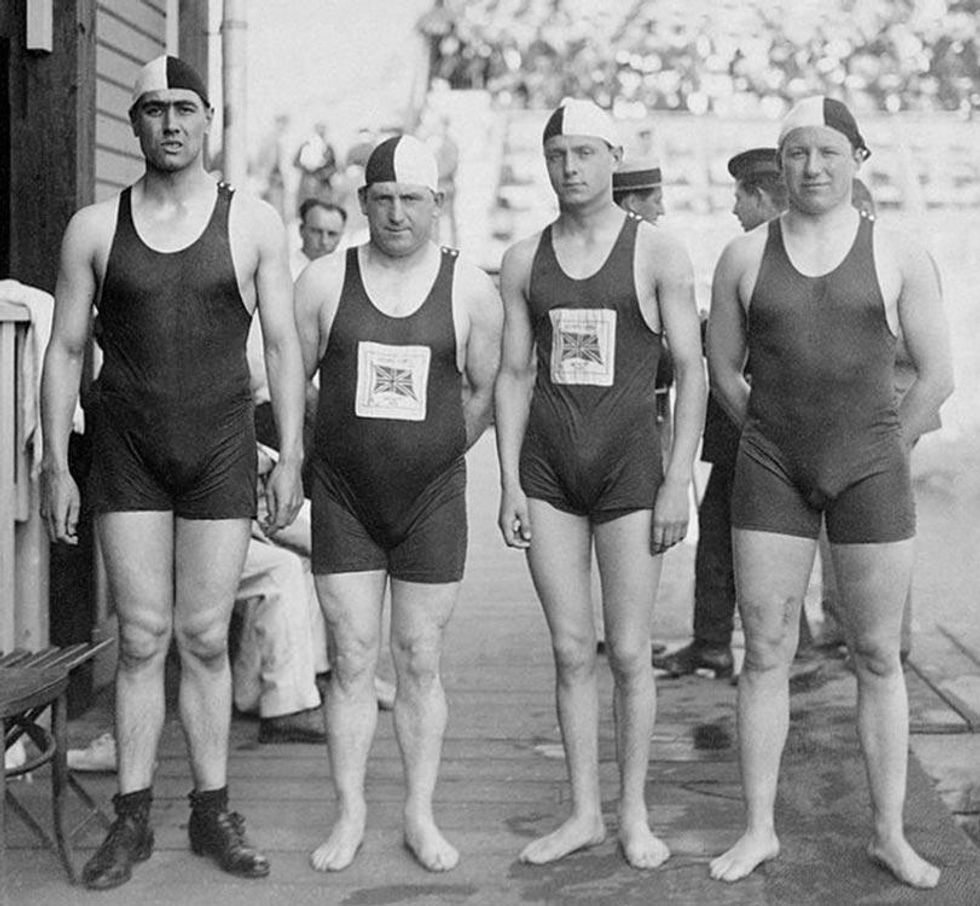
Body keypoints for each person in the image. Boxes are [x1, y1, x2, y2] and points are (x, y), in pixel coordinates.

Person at [39, 55, 306, 890]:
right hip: (127, 449)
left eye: (185, 108)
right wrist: (56, 461)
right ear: (136, 125)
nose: (171, 124)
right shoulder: (93, 227)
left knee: (201, 634)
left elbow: (287, 346)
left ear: (208, 118)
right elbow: (66, 349)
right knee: (144, 637)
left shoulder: (254, 223)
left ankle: (212, 808)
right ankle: (130, 817)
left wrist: (292, 453)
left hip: (222, 447)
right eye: (153, 109)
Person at [707, 96, 952, 888]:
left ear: (857, 159)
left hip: (871, 469)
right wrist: (771, 439)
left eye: (828, 153)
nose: (813, 167)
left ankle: (890, 833)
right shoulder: (744, 257)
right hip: (772, 469)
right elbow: (722, 372)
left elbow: (937, 375)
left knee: (879, 654)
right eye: (798, 153)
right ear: (780, 164)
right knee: (766, 651)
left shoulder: (900, 254)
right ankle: (757, 830)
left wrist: (887, 443)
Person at [495, 99, 706, 868]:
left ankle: (634, 814)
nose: (571, 168)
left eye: (585, 153)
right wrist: (511, 483)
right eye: (558, 155)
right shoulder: (525, 258)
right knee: (569, 646)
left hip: (628, 469)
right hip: (550, 472)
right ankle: (583, 811)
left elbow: (692, 369)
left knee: (627, 650)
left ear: (612, 157)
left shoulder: (656, 252)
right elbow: (514, 373)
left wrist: (678, 479)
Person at [293, 134, 503, 873]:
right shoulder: (324, 280)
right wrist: (310, 454)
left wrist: (438, 451)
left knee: (417, 658)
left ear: (436, 204)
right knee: (351, 658)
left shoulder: (472, 287)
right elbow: (295, 383)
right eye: (382, 199)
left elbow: (484, 390)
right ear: (363, 203)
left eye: (412, 199)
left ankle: (419, 812)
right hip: (345, 494)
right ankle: (350, 812)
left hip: (431, 498)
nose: (396, 213)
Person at [654, 148, 787, 680]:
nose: (734, 207)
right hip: (741, 424)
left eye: (740, 196)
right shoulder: (765, 251)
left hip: (759, 422)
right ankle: (714, 640)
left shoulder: (764, 253)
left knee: (756, 537)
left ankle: (746, 642)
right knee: (726, 530)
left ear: (758, 197)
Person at [292, 198, 347, 279]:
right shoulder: (284, 271)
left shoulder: (343, 275)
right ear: (301, 230)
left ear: (341, 236)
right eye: (317, 232)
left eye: (332, 234)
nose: (324, 241)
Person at [294, 121, 338, 204]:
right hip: (306, 182)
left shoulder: (328, 148)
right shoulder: (306, 145)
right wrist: (307, 167)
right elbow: (296, 162)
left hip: (322, 184)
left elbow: (334, 167)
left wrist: (323, 174)